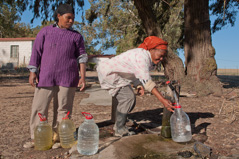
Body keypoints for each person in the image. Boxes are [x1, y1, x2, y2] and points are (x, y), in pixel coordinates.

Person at [23, 3, 88, 148]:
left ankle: (59, 137)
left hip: (68, 78)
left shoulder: (76, 36)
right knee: (40, 108)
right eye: (68, 18)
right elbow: (36, 53)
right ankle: (37, 137)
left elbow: (82, 57)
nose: (71, 21)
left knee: (64, 109)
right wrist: (33, 72)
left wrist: (82, 76)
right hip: (45, 77)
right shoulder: (45, 32)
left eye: (73, 18)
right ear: (58, 16)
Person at [97, 36, 175, 137]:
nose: (161, 59)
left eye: (163, 57)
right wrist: (162, 100)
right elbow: (147, 82)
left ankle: (120, 124)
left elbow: (133, 72)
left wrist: (138, 85)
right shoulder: (142, 57)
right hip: (110, 74)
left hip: (117, 74)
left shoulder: (143, 55)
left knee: (128, 100)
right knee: (128, 98)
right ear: (152, 50)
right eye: (160, 55)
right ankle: (119, 128)